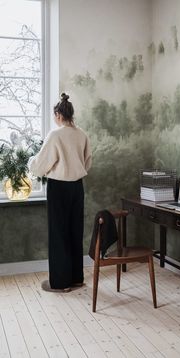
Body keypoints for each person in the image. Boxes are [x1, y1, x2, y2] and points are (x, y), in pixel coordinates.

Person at [29, 93, 92, 293]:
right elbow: (88, 161)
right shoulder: (82, 134)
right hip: (77, 187)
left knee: (58, 233)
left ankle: (60, 282)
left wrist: (31, 162)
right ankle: (76, 278)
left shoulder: (55, 135)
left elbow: (40, 165)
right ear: (71, 114)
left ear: (58, 114)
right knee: (75, 230)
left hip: (58, 187)